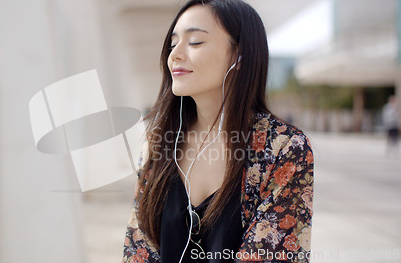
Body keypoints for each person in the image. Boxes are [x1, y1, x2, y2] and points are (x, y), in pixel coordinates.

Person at [122, 0, 314, 262]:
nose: (174, 55)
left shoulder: (284, 147)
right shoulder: (159, 144)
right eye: (172, 44)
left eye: (195, 42)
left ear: (238, 54)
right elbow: (137, 250)